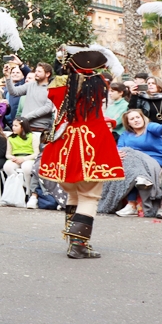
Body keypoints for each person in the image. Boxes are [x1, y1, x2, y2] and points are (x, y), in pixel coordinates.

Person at [38, 45, 125, 260]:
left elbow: (56, 92)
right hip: (90, 142)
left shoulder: (59, 86)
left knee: (73, 194)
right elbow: (115, 73)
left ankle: (72, 241)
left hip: (65, 144)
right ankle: (79, 245)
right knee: (89, 196)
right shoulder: (99, 83)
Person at [114, 109, 162, 216]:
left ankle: (131, 205)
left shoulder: (150, 127)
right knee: (129, 164)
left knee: (133, 168)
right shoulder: (125, 135)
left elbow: (159, 129)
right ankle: (132, 201)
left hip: (156, 161)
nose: (136, 120)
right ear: (128, 123)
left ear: (142, 118)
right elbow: (120, 149)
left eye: (138, 117)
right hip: (135, 164)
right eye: (132, 119)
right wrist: (118, 153)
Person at [7, 62, 54, 148]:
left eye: (39, 71)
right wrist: (7, 77)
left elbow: (48, 108)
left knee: (37, 155)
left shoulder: (52, 88)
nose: (36, 73)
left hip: (41, 128)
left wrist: (27, 117)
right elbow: (14, 92)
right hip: (26, 127)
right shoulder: (30, 85)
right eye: (36, 71)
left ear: (47, 74)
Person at [3, 119, 37, 195]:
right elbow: (8, 154)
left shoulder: (32, 136)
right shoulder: (10, 138)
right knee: (7, 167)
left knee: (26, 167)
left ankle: (28, 189)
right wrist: (12, 158)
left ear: (23, 127)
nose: (13, 127)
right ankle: (21, 185)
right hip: (16, 158)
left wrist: (24, 159)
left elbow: (36, 153)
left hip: (29, 158)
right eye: (13, 125)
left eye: (16, 126)